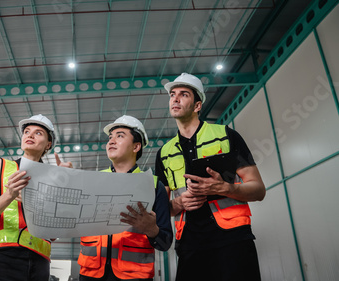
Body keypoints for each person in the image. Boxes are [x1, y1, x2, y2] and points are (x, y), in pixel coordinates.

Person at [154, 73, 266, 281]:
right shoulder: (164, 153)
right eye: (172, 94)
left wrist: (226, 188)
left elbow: (259, 190)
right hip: (188, 245)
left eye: (183, 94)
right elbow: (161, 209)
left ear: (197, 106)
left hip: (233, 240)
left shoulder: (226, 135)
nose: (175, 99)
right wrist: (178, 203)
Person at [78, 115, 173, 281]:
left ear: (136, 146)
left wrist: (152, 230)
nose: (111, 141)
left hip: (133, 276)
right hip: (90, 273)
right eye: (110, 137)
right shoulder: (92, 182)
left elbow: (165, 242)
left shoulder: (153, 185)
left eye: (120, 136)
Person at [0, 114, 72, 281]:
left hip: (39, 258)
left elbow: (53, 234)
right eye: (27, 131)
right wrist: (9, 195)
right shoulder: (1, 166)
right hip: (2, 256)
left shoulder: (53, 178)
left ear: (48, 144)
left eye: (38, 133)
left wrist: (66, 184)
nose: (29, 135)